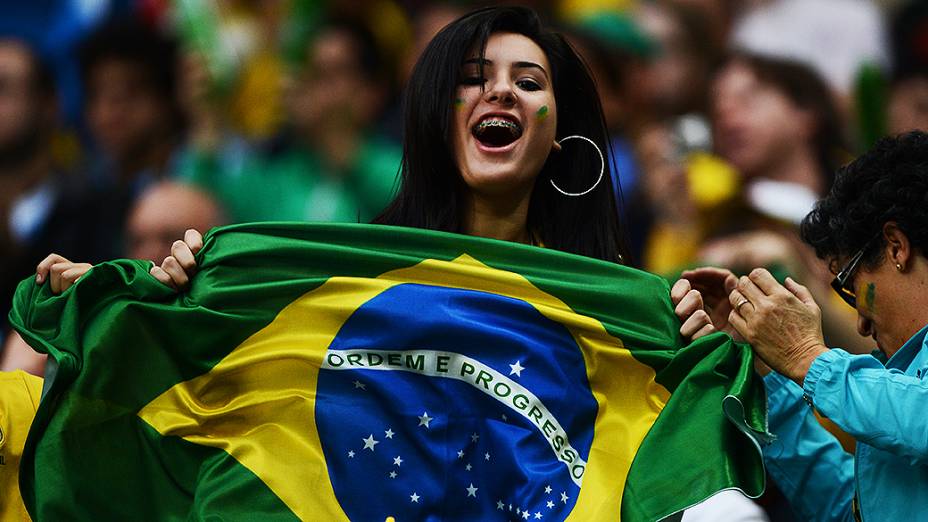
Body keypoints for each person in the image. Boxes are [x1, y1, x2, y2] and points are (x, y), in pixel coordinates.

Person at [677, 130, 928, 521]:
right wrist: (763, 380)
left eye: (850, 286)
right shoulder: (893, 385)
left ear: (896, 247)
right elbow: (848, 511)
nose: (860, 323)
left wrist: (806, 356)